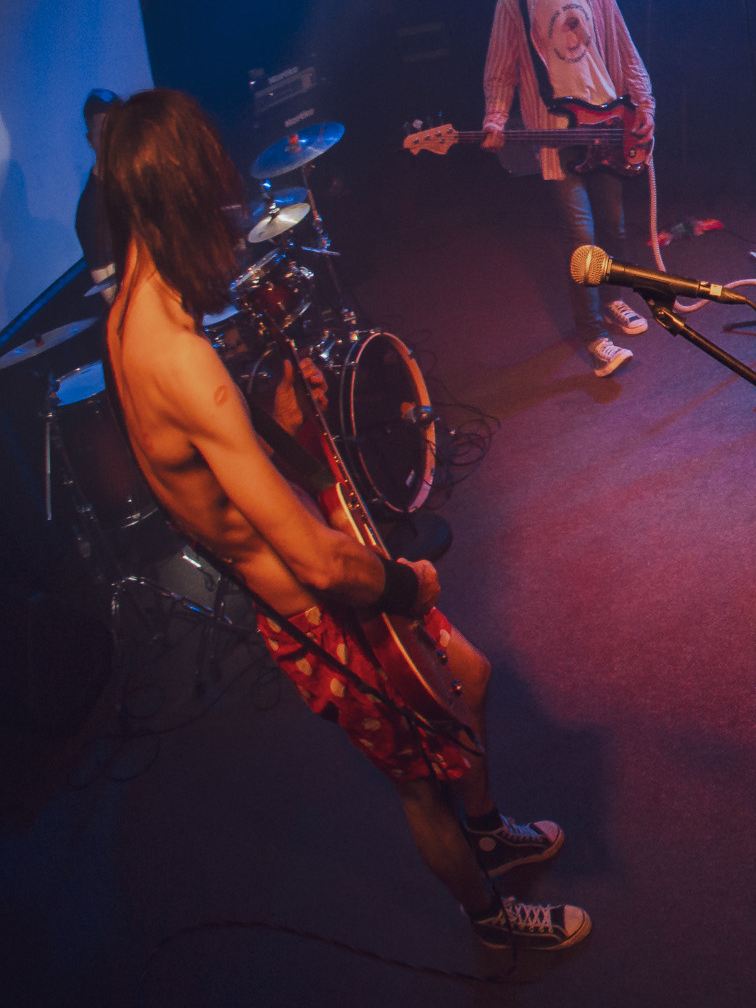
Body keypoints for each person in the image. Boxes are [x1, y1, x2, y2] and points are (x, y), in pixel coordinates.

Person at [96, 90, 588, 950]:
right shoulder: (180, 356)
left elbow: (212, 480)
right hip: (320, 609)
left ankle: (487, 833)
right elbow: (317, 561)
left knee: (470, 680)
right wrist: (404, 582)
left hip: (314, 579)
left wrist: (283, 426)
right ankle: (491, 920)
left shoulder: (129, 319)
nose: (228, 219)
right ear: (183, 195)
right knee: (419, 778)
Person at [480, 0, 656, 379]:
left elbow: (622, 43)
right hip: (557, 138)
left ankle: (613, 301)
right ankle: (594, 336)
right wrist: (495, 118)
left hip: (608, 124)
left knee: (614, 228)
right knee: (581, 237)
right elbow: (500, 70)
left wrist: (643, 104)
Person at [72, 87, 121, 299]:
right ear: (90, 140)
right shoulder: (91, 211)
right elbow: (113, 295)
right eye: (105, 133)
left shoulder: (140, 180)